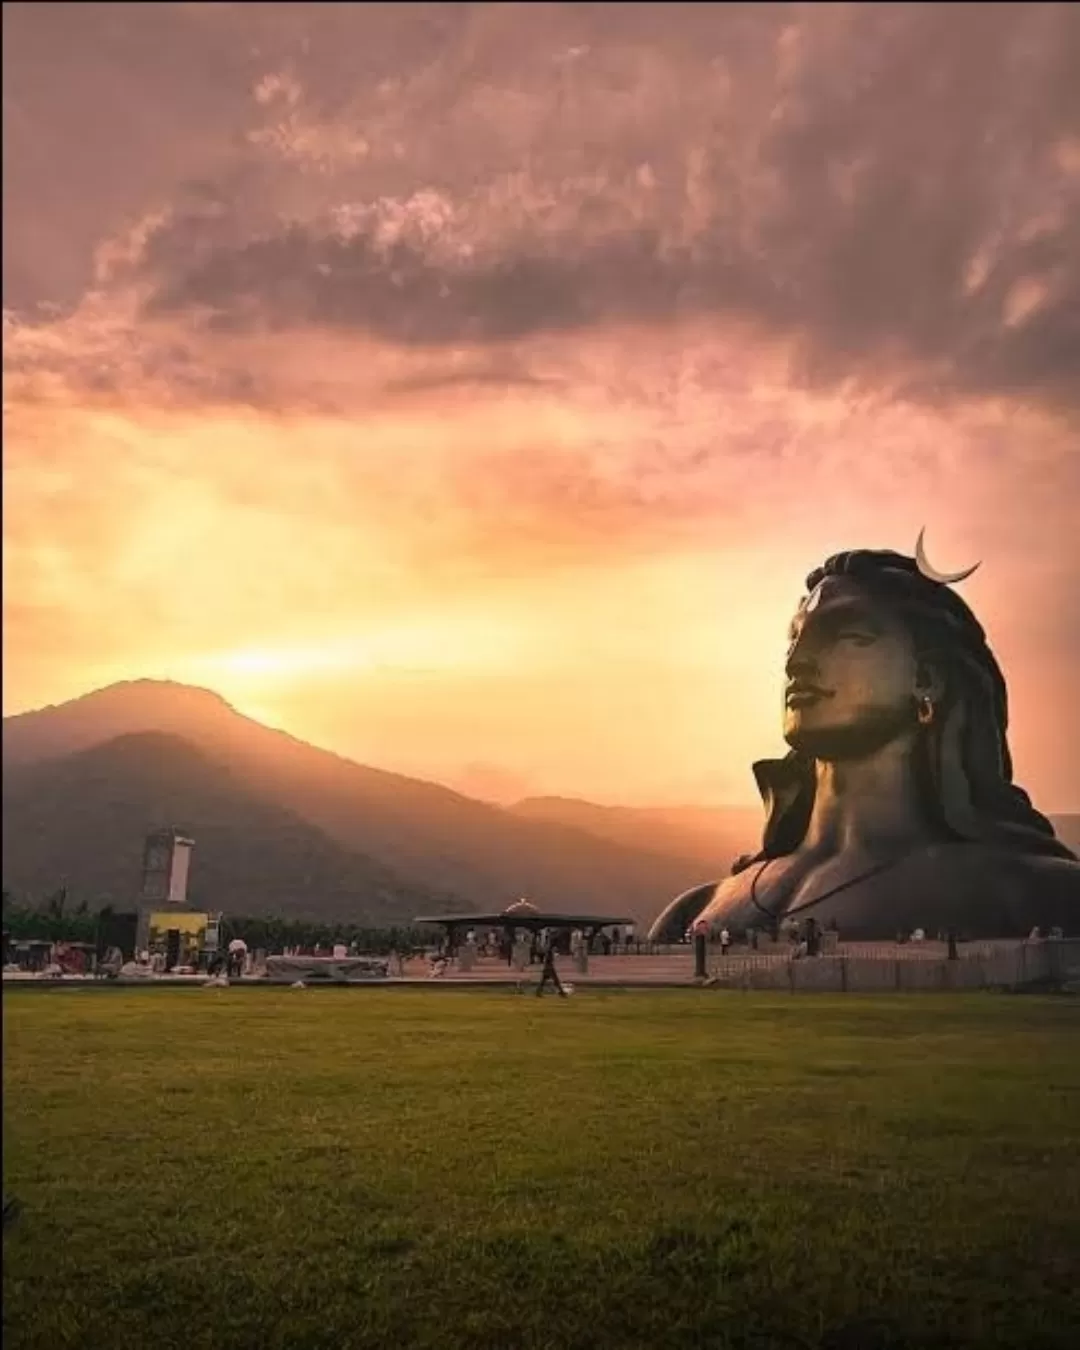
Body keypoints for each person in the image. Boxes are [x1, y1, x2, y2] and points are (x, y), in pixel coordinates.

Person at [649, 541, 1079, 942]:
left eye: (848, 636)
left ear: (925, 679)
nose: (797, 662)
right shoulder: (694, 910)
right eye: (794, 638)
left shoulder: (1040, 896)